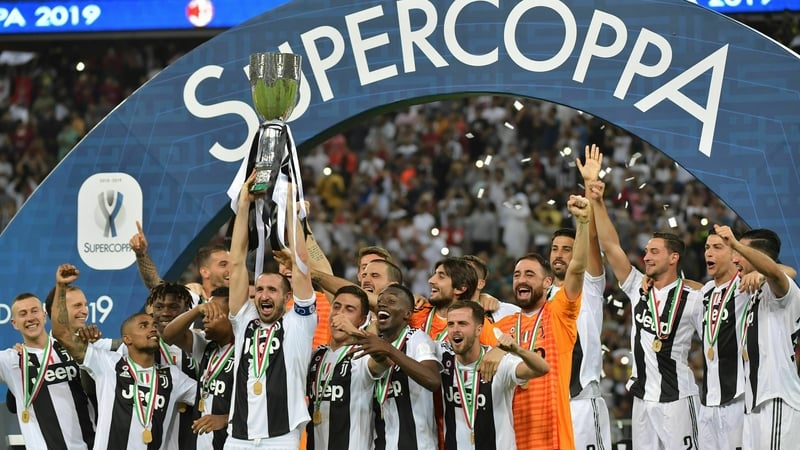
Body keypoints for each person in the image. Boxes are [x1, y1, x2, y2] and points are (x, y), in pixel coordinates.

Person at [590, 179, 703, 449]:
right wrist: (597, 202)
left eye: (654, 252)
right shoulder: (637, 287)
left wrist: (692, 284)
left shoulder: (694, 297)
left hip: (677, 398)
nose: (647, 257)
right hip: (641, 399)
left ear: (673, 258)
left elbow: (719, 296)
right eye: (646, 252)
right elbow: (611, 247)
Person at [49, 265, 196, 449]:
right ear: (127, 339)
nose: (153, 328)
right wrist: (61, 287)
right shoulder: (107, 364)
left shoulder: (173, 376)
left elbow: (210, 396)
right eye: (143, 325)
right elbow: (61, 333)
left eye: (154, 325)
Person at [226, 173, 317, 448]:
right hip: (238, 438)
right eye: (260, 289)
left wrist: (289, 207)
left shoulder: (299, 323)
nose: (264, 295)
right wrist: (243, 206)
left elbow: (301, 263)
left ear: (288, 297)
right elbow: (237, 263)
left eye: (272, 290)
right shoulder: (245, 321)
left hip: (282, 437)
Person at [494, 194, 591, 450]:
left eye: (529, 274)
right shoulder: (502, 327)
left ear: (547, 283)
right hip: (511, 439)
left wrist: (582, 223)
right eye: (516, 275)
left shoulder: (559, 313)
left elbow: (578, 267)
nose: (521, 280)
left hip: (552, 439)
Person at [715, 225, 800, 449]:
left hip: (776, 397)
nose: (734, 259)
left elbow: (781, 272)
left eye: (739, 253)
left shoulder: (782, 292)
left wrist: (761, 270)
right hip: (754, 404)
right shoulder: (753, 291)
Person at [440, 301, 550, 449]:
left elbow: (542, 368)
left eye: (462, 324)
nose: (455, 329)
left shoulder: (499, 363)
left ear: (479, 330)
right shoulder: (442, 358)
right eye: (451, 324)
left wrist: (517, 350)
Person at [560, 144, 611, 449]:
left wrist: (590, 191)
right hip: (551, 402)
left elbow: (591, 240)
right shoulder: (545, 297)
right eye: (554, 250)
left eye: (567, 249)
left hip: (582, 404)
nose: (560, 255)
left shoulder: (590, 287)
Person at [350, 284, 442, 449]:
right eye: (380, 301)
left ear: (407, 314)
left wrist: (390, 350)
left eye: (391, 301)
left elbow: (433, 380)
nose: (382, 304)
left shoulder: (417, 339)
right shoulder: (374, 344)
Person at [0, 288, 95, 449]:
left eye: (34, 311)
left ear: (44, 316)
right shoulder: (10, 361)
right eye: (23, 314)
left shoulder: (76, 348)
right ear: (14, 324)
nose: (30, 318)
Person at [305, 285, 390, 449]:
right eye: (336, 307)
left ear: (361, 320)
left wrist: (356, 333)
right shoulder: (316, 355)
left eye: (349, 309)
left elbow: (384, 361)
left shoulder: (362, 355)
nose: (340, 314)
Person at [162, 287, 234, 450]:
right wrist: (197, 310)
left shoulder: (246, 353)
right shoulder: (207, 347)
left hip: (232, 441)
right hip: (201, 442)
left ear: (233, 317)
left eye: (212, 314)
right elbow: (168, 336)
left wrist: (225, 419)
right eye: (204, 315)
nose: (204, 320)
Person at [695, 231, 748, 449]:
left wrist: (761, 275)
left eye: (717, 247)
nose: (709, 252)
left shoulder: (746, 285)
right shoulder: (706, 291)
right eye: (707, 247)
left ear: (735, 253)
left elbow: (787, 272)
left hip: (739, 398)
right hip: (708, 402)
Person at [146, 281, 201, 449]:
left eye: (173, 307)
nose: (165, 313)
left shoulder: (203, 343)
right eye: (159, 307)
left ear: (187, 311)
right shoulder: (136, 347)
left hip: (195, 437)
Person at [130, 220, 230, 305]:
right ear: (204, 272)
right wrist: (141, 254)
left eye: (232, 265)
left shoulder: (242, 298)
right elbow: (156, 285)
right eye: (223, 264)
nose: (231, 269)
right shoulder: (189, 298)